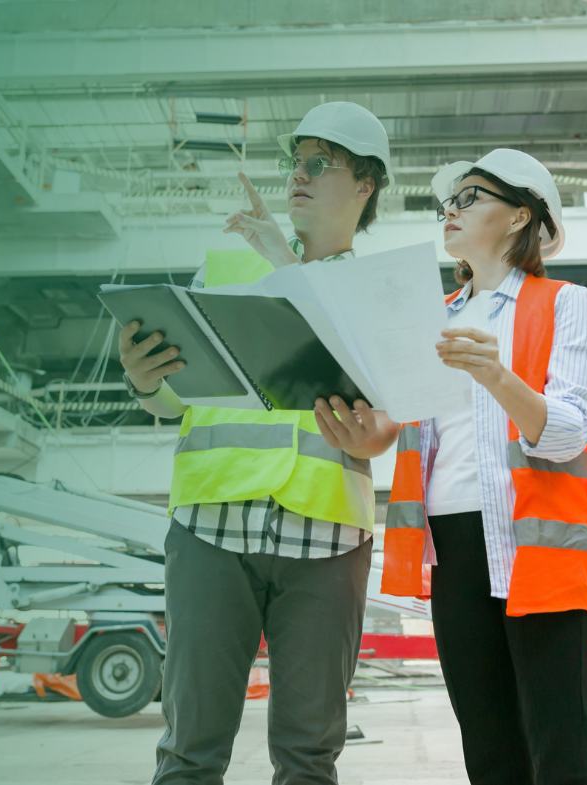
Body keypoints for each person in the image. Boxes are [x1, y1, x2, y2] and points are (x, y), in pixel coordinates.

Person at [118, 102, 399, 785]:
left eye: (318, 164)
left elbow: (392, 418)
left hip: (326, 544)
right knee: (190, 753)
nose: (296, 176)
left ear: (365, 185)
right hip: (211, 532)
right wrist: (144, 381)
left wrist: (382, 431)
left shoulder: (383, 292)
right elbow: (172, 402)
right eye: (292, 163)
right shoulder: (223, 267)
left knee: (308, 757)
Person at [381, 148, 587, 785]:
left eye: (469, 198)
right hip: (453, 548)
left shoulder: (563, 303)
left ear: (518, 217)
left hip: (538, 544)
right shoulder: (436, 318)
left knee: (558, 744)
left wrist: (497, 376)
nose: (449, 212)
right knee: (487, 746)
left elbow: (566, 433)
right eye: (446, 204)